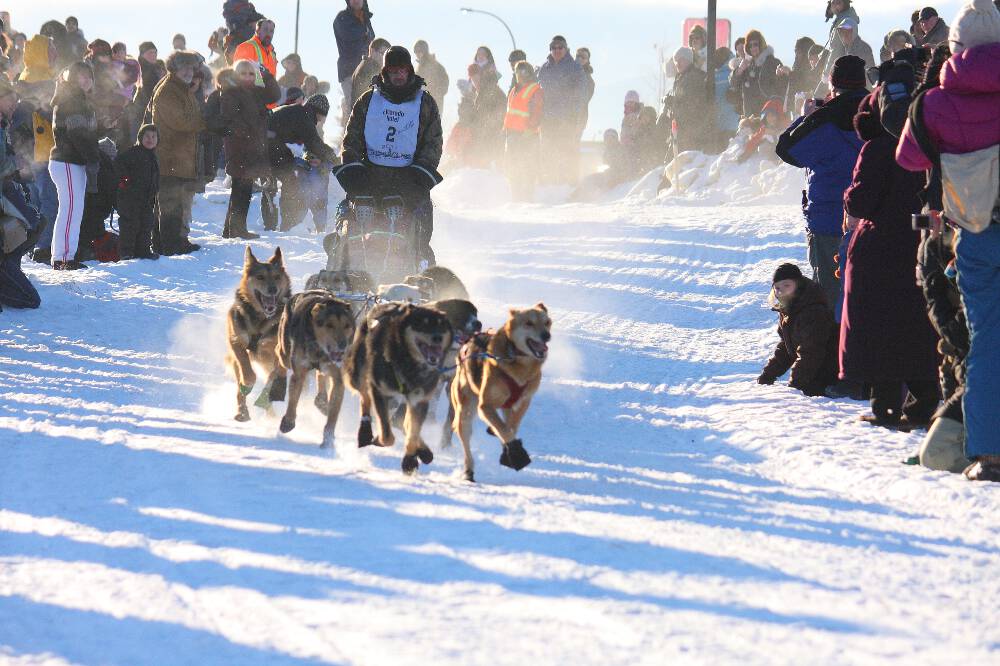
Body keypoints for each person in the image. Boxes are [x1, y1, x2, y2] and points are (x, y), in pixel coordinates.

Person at [896, 0, 1000, 481]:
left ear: (954, 45)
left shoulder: (934, 102)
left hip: (974, 233)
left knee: (985, 342)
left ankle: (990, 453)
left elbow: (907, 158)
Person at [840, 90, 940, 428]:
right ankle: (925, 400)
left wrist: (848, 197)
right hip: (921, 241)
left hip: (880, 247)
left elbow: (861, 203)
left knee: (878, 324)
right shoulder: (925, 140)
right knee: (916, 324)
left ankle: (885, 405)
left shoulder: (877, 148)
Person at [776, 55, 868, 314]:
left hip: (828, 221)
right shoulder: (879, 114)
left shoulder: (824, 120)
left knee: (828, 299)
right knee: (866, 297)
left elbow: (787, 149)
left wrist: (805, 118)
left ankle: (831, 352)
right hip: (870, 219)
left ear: (833, 85)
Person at [335, 46, 443, 264]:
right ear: (385, 72)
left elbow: (433, 142)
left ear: (410, 70)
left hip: (409, 179)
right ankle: (344, 263)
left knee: (418, 231)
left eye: (402, 70)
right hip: (371, 176)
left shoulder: (425, 103)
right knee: (350, 220)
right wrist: (354, 168)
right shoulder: (367, 100)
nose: (398, 75)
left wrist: (419, 174)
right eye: (393, 71)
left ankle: (421, 265)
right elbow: (352, 137)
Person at [916, 229, 970, 471]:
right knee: (933, 454)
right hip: (968, 377)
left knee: (936, 454)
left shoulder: (981, 249)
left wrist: (934, 292)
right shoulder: (938, 246)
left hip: (982, 381)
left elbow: (959, 334)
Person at [150, 50, 206, 255]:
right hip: (169, 157)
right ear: (174, 68)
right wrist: (204, 122)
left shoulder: (183, 89)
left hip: (181, 157)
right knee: (169, 205)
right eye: (184, 67)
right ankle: (168, 245)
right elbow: (181, 121)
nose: (188, 72)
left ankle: (175, 241)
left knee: (177, 204)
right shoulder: (168, 90)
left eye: (191, 68)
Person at [757, 263, 840, 396]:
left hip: (829, 374)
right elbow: (787, 346)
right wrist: (768, 375)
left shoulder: (813, 311)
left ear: (798, 285)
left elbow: (811, 352)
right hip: (812, 373)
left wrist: (795, 386)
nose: (781, 291)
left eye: (787, 286)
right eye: (777, 288)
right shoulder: (789, 309)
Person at [221, 59, 281, 239]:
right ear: (235, 75)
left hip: (251, 145)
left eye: (251, 74)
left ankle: (231, 229)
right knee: (241, 188)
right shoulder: (230, 92)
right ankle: (236, 229)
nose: (247, 77)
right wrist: (247, 132)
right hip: (239, 146)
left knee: (243, 188)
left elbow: (274, 95)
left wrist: (266, 74)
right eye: (243, 73)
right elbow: (229, 117)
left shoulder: (256, 92)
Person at [48, 62, 99, 270]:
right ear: (72, 77)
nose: (86, 79)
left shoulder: (80, 100)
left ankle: (65, 257)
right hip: (67, 160)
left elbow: (83, 133)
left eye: (89, 75)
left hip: (72, 161)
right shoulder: (72, 99)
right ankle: (62, 259)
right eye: (81, 76)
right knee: (70, 210)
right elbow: (76, 133)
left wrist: (103, 129)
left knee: (72, 210)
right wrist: (92, 157)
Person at [268, 93, 339, 231]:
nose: (320, 121)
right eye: (322, 117)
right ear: (320, 112)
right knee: (291, 182)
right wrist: (333, 158)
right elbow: (314, 142)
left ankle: (284, 223)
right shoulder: (305, 117)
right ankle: (288, 225)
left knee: (288, 179)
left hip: (269, 144)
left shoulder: (300, 112)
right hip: (272, 147)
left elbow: (308, 142)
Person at [0, 78, 41, 309]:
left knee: (35, 222)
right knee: (31, 300)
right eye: (10, 99)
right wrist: (14, 163)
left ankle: (10, 269)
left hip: (6, 189)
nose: (15, 103)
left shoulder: (4, 125)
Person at [537, 35, 585, 185]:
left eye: (560, 47)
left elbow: (581, 93)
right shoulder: (545, 68)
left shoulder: (574, 67)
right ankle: (548, 185)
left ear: (566, 49)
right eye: (554, 48)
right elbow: (538, 93)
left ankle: (568, 186)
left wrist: (573, 114)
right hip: (547, 120)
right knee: (547, 153)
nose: (557, 50)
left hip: (566, 120)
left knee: (566, 153)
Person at [114, 124, 160, 259]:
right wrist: (125, 180)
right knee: (130, 225)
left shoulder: (153, 156)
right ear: (140, 137)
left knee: (146, 224)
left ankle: (143, 250)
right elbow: (118, 164)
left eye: (153, 137)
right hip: (129, 198)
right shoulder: (133, 153)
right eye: (147, 136)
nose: (150, 139)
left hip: (146, 199)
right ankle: (126, 252)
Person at [503, 60, 543, 201]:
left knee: (527, 167)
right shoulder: (514, 90)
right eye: (517, 71)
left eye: (524, 71)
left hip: (527, 136)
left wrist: (530, 129)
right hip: (512, 135)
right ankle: (516, 198)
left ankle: (527, 199)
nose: (520, 74)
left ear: (529, 73)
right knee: (513, 167)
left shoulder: (534, 90)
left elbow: (537, 111)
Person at [663, 47, 711, 155]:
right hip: (683, 130)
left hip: (691, 131)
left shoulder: (694, 77)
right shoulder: (681, 78)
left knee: (686, 162)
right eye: (676, 61)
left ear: (688, 60)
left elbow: (691, 104)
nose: (677, 64)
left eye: (680, 60)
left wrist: (675, 103)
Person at [333, 0, 375, 121]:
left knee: (368, 105)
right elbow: (348, 36)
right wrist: (364, 32)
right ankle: (349, 135)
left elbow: (372, 38)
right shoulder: (342, 18)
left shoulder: (365, 18)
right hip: (349, 70)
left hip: (366, 69)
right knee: (353, 105)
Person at [730, 29, 783, 119]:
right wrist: (740, 70)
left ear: (761, 45)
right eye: (750, 45)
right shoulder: (747, 65)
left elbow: (781, 87)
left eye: (755, 44)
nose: (753, 48)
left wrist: (780, 76)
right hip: (750, 116)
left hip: (768, 116)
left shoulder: (772, 63)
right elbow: (734, 84)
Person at [467, 63, 507, 168]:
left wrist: (491, 125)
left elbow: (500, 109)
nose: (475, 81)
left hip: (494, 133)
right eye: (472, 79)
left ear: (481, 76)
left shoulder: (490, 89)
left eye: (476, 78)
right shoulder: (479, 93)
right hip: (485, 134)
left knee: (494, 164)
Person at [821, 18, 875, 94]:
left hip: (861, 92)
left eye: (848, 31)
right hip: (845, 90)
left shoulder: (863, 48)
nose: (844, 35)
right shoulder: (841, 49)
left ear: (854, 32)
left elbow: (869, 72)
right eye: (841, 31)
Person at [233, 19, 277, 108]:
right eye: (265, 29)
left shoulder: (272, 53)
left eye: (271, 31)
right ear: (257, 31)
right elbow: (240, 78)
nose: (268, 33)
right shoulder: (247, 47)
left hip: (268, 105)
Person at [778, 37, 817, 115]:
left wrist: (790, 73)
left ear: (806, 52)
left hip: (807, 109)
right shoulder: (796, 65)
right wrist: (781, 75)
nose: (796, 54)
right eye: (795, 51)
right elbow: (788, 86)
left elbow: (805, 82)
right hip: (794, 109)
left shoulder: (813, 66)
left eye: (798, 51)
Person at [350, 37, 390, 108]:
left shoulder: (365, 66)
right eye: (383, 53)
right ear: (372, 51)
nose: (385, 59)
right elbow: (368, 96)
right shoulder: (369, 69)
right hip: (366, 115)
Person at [413, 40, 449, 109]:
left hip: (434, 102)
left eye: (419, 51)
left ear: (424, 51)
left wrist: (438, 93)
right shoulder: (419, 67)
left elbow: (445, 81)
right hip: (421, 102)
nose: (417, 54)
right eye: (415, 51)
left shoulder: (435, 66)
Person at [575, 47, 595, 138]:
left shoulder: (589, 81)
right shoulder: (567, 72)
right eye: (578, 56)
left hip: (578, 119)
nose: (580, 59)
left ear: (587, 60)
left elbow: (584, 100)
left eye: (583, 57)